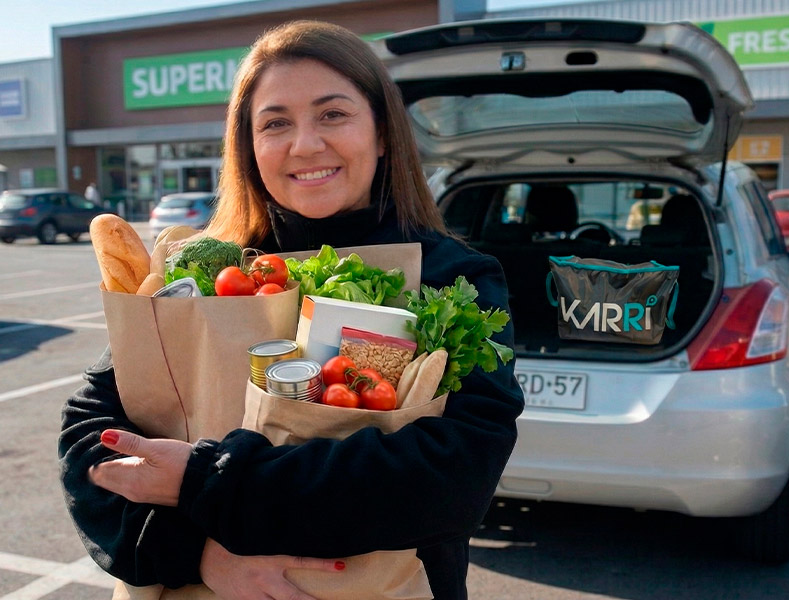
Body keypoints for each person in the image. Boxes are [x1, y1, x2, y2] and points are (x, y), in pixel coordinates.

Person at [58, 20, 523, 600]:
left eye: (333, 114)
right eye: (275, 123)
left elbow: (457, 474)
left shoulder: (452, 277)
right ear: (248, 148)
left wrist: (212, 483)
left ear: (382, 133)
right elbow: (89, 439)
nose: (305, 144)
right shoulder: (196, 275)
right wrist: (195, 553)